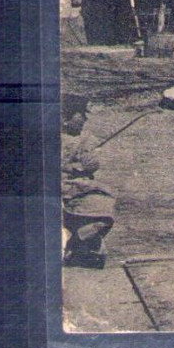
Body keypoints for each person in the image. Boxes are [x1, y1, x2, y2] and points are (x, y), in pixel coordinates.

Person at [60, 96, 116, 268]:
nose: (85, 119)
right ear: (65, 118)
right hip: (59, 189)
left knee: (104, 207)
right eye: (81, 115)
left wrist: (86, 163)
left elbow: (91, 165)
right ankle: (72, 244)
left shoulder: (83, 139)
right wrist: (72, 167)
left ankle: (77, 242)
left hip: (75, 188)